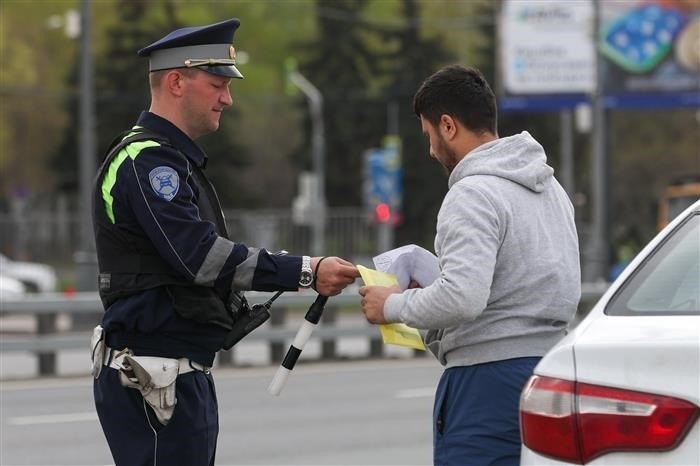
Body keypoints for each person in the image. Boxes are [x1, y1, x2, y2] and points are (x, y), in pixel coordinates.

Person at [91, 18, 359, 466]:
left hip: (174, 374)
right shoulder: (148, 161)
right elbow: (202, 257)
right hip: (155, 378)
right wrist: (307, 271)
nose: (227, 98)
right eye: (217, 83)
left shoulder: (169, 159)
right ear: (176, 82)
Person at [358, 65, 580, 466]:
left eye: (428, 136)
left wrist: (390, 305)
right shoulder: (550, 187)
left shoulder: (472, 193)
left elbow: (462, 297)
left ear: (447, 126)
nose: (430, 150)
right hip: (550, 373)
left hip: (486, 382)